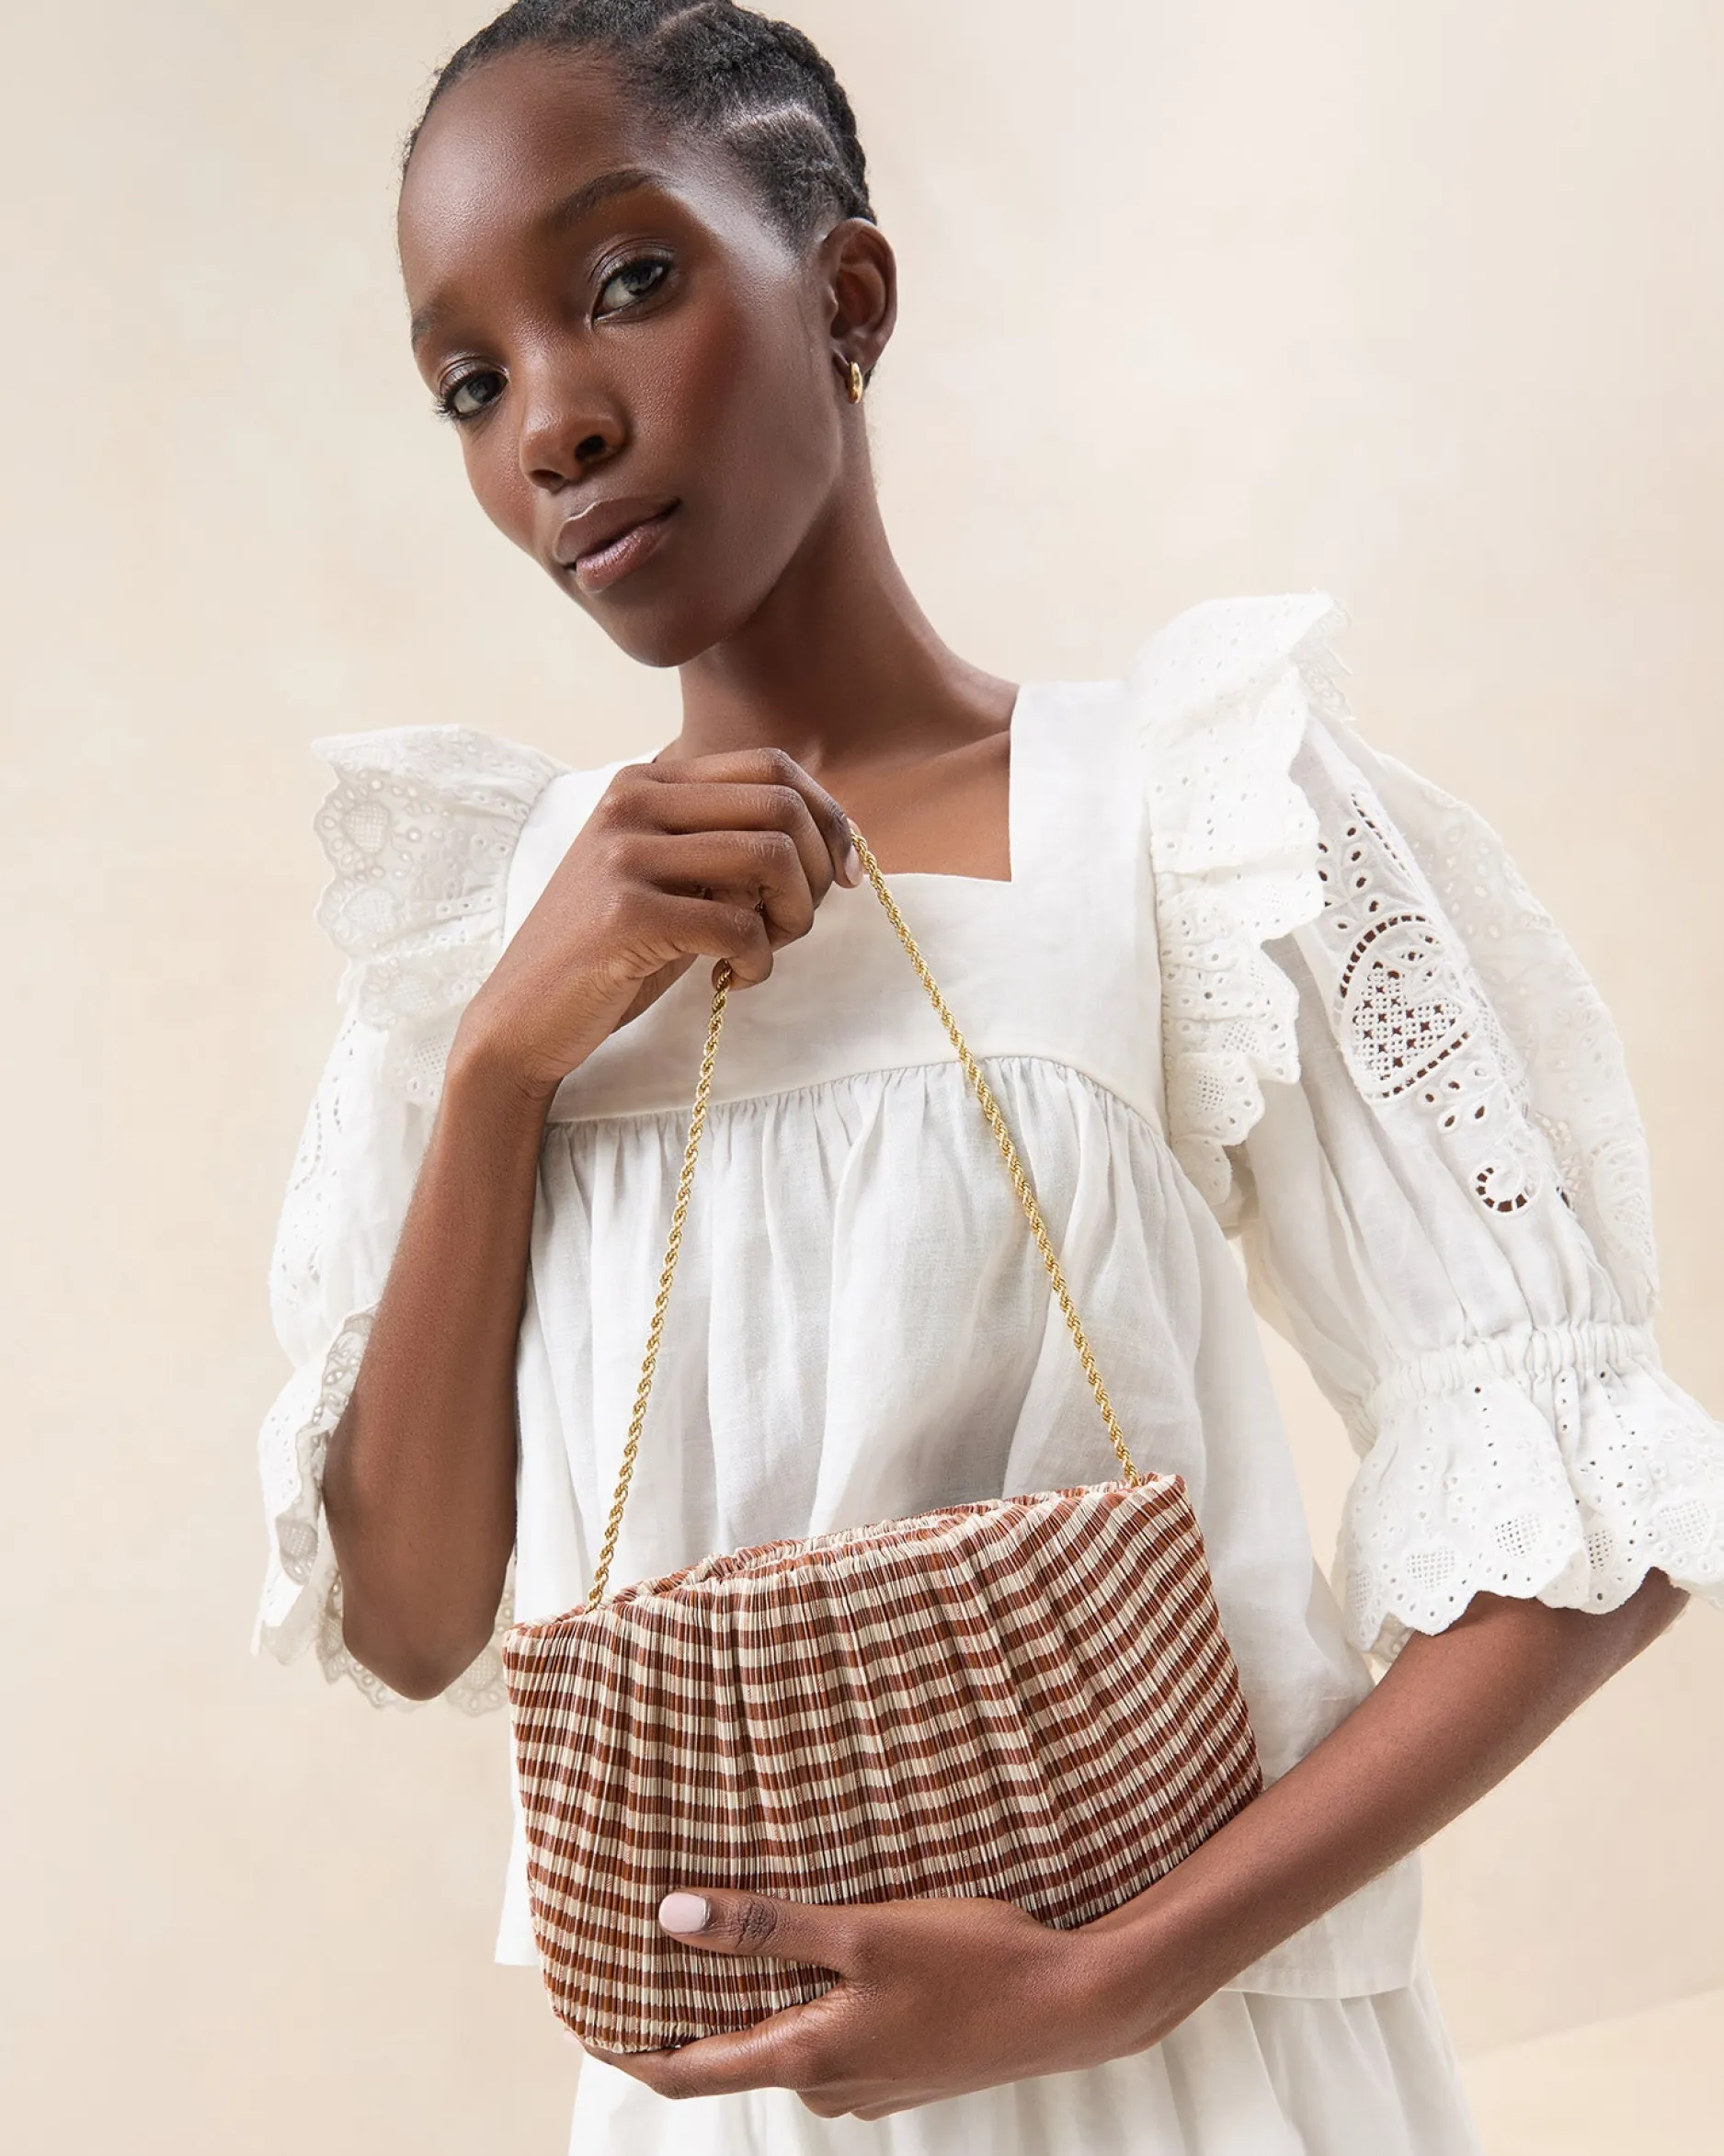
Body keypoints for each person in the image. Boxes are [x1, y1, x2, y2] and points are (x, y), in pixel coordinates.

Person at [252, 4, 1724, 2149]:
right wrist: (501, 1064)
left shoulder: (1188, 808)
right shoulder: (495, 936)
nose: (552, 423)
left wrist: (1107, 1973)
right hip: (731, 2095)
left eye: (629, 280)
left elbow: (1585, 1517)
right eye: (470, 384)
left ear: (845, 294)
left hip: (1179, 2067)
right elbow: (407, 1622)